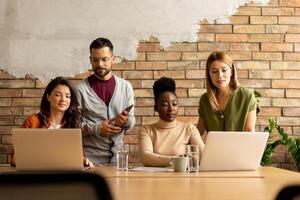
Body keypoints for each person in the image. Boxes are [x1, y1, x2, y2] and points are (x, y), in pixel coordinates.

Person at [75, 37, 135, 165]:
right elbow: (72, 127)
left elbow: (131, 123)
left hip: (118, 161)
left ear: (113, 59)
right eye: (95, 60)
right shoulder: (80, 89)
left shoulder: (125, 87)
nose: (100, 64)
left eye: (104, 59)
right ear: (90, 60)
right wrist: (97, 128)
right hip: (89, 162)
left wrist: (125, 121)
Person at [12, 77, 93, 168]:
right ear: (48, 97)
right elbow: (15, 159)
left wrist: (83, 161)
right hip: (37, 175)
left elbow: (77, 157)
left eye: (68, 96)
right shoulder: (33, 121)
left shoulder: (73, 125)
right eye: (58, 95)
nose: (63, 99)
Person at [139, 77, 205, 167]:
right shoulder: (146, 130)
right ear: (156, 108)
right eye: (164, 105)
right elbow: (146, 157)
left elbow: (203, 155)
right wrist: (176, 160)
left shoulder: (189, 128)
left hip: (182, 178)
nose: (171, 109)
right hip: (155, 179)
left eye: (174, 104)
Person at [197, 52, 258, 136]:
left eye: (224, 70)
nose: (220, 75)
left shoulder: (246, 95)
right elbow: (199, 131)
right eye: (214, 71)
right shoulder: (205, 99)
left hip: (240, 148)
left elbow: (249, 131)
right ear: (209, 74)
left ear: (231, 71)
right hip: (214, 149)